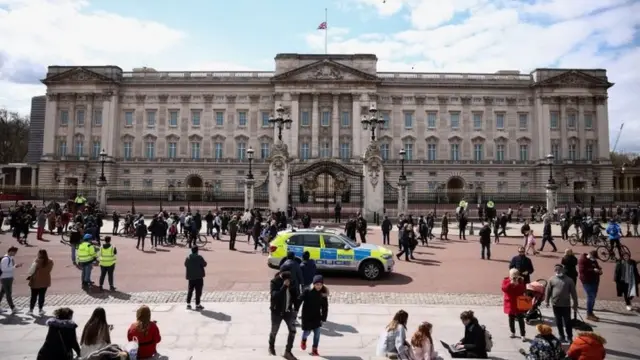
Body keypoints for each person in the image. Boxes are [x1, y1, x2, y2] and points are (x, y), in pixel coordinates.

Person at [269, 271, 299, 360]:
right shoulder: (274, 282)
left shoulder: (292, 281)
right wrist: (284, 286)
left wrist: (296, 309)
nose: (289, 281)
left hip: (288, 311)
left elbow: (296, 296)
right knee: (274, 330)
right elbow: (275, 296)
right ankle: (271, 347)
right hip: (277, 312)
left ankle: (288, 351)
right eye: (287, 280)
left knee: (293, 331)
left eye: (290, 279)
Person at [545, 264, 578, 344]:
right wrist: (547, 301)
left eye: (559, 269)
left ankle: (569, 337)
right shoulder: (552, 279)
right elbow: (548, 291)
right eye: (556, 269)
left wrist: (575, 304)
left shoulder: (569, 280)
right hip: (556, 304)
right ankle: (561, 336)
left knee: (567, 322)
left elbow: (573, 293)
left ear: (563, 270)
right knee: (558, 321)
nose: (557, 271)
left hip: (566, 305)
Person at [298, 275, 329, 356]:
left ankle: (314, 349)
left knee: (317, 333)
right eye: (317, 284)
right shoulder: (307, 291)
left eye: (320, 284)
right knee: (307, 332)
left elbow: (325, 307)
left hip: (316, 317)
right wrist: (295, 306)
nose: (318, 286)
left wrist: (323, 318)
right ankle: (303, 340)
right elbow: (300, 299)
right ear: (314, 284)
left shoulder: (323, 294)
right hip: (307, 316)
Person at [501, 269, 527, 341]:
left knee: (520, 319)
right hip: (510, 302)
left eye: (516, 274)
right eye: (513, 274)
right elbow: (504, 289)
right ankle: (513, 332)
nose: (514, 276)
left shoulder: (520, 280)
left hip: (518, 302)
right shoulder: (506, 280)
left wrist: (518, 284)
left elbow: (523, 290)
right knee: (511, 318)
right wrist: (510, 283)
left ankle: (523, 334)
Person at [27, 249, 54, 316]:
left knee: (33, 296)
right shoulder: (50, 261)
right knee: (42, 295)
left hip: (36, 281)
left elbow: (30, 271)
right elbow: (49, 270)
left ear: (39, 254)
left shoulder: (37, 261)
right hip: (45, 280)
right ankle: (40, 309)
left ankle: (31, 310)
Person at [578, 250, 602, 321]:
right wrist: (593, 270)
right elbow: (582, 270)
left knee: (593, 297)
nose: (594, 259)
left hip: (595, 280)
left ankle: (591, 312)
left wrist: (599, 270)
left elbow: (597, 267)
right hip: (587, 281)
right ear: (590, 255)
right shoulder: (582, 260)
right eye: (594, 257)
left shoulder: (594, 261)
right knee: (590, 296)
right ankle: (589, 314)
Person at [0, 246, 22, 314]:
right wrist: (14, 267)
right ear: (11, 251)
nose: (15, 253)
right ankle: (13, 308)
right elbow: (4, 269)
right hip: (6, 278)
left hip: (8, 278)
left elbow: (9, 267)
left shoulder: (10, 258)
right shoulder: (6, 259)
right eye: (15, 252)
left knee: (2, 293)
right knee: (8, 293)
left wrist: (15, 266)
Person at [185, 245, 207, 310]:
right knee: (198, 291)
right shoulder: (199, 257)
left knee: (190, 290)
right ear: (197, 251)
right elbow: (204, 264)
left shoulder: (188, 258)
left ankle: (188, 304)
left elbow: (185, 265)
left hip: (191, 277)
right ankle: (197, 304)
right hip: (199, 277)